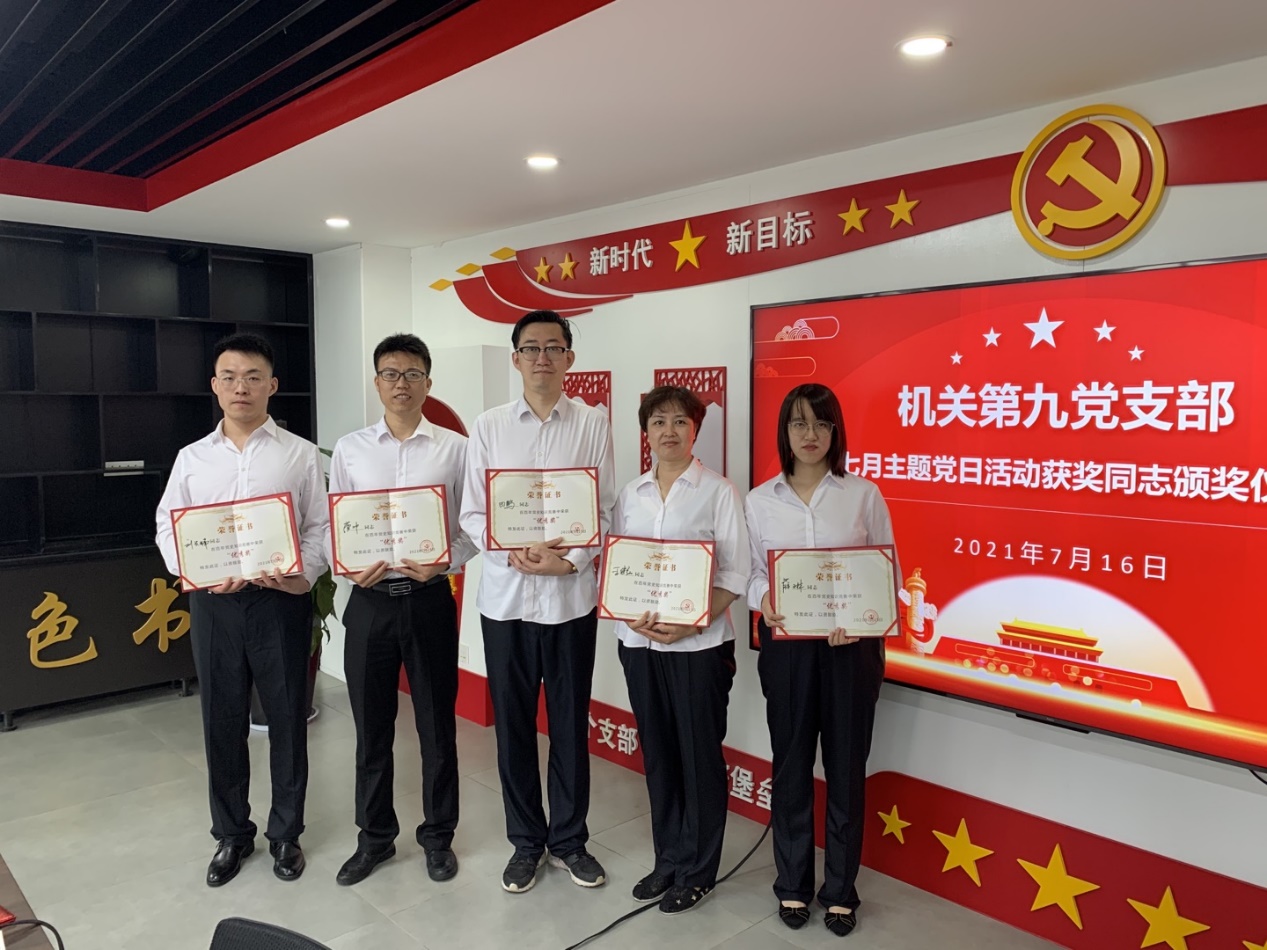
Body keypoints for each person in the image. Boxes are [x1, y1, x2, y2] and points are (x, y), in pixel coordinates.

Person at [155, 332, 328, 887]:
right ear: (215, 386)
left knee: (287, 719)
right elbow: (168, 526)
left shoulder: (299, 454)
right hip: (216, 606)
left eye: (253, 377)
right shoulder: (192, 458)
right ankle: (231, 834)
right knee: (222, 720)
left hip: (280, 602)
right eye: (229, 377)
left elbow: (320, 526)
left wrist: (303, 575)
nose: (241, 387)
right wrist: (196, 571)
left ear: (272, 385)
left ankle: (286, 834)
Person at [460, 309, 615, 894]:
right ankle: (526, 842)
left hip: (570, 600)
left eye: (553, 347)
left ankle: (570, 841)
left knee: (571, 725)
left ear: (569, 358)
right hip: (505, 602)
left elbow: (604, 508)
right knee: (514, 728)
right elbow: (474, 512)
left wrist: (570, 561)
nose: (542, 358)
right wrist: (514, 552)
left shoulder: (592, 424)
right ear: (516, 358)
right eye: (531, 348)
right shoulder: (490, 426)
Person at [744, 383, 896, 938]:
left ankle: (840, 892)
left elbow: (886, 570)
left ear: (836, 432)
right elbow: (752, 571)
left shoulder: (863, 495)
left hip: (850, 651)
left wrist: (860, 618)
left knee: (846, 769)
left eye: (821, 424)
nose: (810, 435)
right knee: (790, 766)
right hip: (786, 649)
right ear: (784, 432)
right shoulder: (759, 500)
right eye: (799, 423)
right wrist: (765, 598)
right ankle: (792, 883)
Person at [328, 333, 477, 886]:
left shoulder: (455, 449)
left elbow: (474, 524)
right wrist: (349, 568)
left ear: (428, 382)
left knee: (437, 727)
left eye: (413, 374)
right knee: (372, 728)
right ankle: (374, 838)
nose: (401, 384)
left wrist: (444, 562)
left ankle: (438, 837)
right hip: (369, 604)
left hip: (429, 601)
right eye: (391, 374)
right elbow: (338, 525)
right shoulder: (350, 449)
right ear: (377, 383)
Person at [611, 386, 748, 915]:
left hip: (700, 647)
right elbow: (620, 568)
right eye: (658, 422)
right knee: (660, 754)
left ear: (695, 429)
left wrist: (693, 624)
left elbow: (736, 573)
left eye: (680, 422)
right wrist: (629, 613)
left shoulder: (719, 492)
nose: (669, 431)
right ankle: (667, 859)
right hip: (639, 643)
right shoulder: (632, 494)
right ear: (645, 431)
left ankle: (698, 870)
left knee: (698, 756)